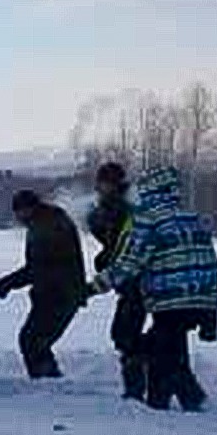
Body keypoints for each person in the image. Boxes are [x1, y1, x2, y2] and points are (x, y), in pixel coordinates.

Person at [85, 166, 217, 411]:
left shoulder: (148, 220)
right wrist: (211, 313)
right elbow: (212, 266)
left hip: (168, 300)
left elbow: (129, 264)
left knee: (151, 348)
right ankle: (162, 403)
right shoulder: (193, 218)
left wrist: (92, 288)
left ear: (149, 191)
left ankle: (192, 401)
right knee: (169, 349)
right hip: (199, 300)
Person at [0, 189, 88, 379]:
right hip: (59, 294)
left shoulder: (45, 227)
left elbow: (38, 268)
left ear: (27, 209)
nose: (17, 218)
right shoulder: (48, 221)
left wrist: (7, 283)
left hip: (58, 295)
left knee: (31, 340)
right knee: (35, 340)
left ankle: (46, 381)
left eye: (18, 212)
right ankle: (49, 379)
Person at [87, 162, 146, 401]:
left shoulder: (121, 211)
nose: (99, 188)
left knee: (125, 334)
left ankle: (136, 388)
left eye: (103, 183)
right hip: (129, 282)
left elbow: (124, 250)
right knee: (124, 333)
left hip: (135, 281)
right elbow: (111, 244)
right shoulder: (113, 210)